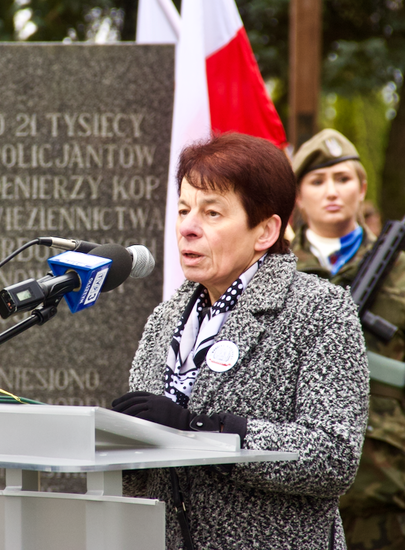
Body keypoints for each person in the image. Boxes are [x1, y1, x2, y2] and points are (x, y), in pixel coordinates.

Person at [113, 132, 369, 549]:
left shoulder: (320, 310)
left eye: (212, 213)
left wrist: (199, 429)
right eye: (183, 210)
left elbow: (333, 457)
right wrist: (118, 443)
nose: (188, 228)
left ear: (265, 231)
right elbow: (146, 474)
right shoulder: (165, 318)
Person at [290, 129, 405, 550]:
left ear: (362, 187)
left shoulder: (401, 271)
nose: (331, 191)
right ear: (297, 197)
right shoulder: (278, 271)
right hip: (295, 492)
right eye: (317, 181)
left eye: (343, 179)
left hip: (383, 494)